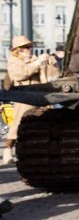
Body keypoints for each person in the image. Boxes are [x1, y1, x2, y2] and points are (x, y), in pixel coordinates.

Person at [3, 36, 57, 164]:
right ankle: (8, 150)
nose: (29, 50)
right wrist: (38, 62)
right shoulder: (14, 61)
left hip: (41, 95)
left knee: (44, 122)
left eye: (30, 47)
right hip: (24, 96)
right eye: (26, 48)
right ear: (18, 50)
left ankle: (40, 151)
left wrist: (52, 64)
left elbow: (52, 76)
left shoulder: (35, 60)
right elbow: (20, 74)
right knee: (18, 125)